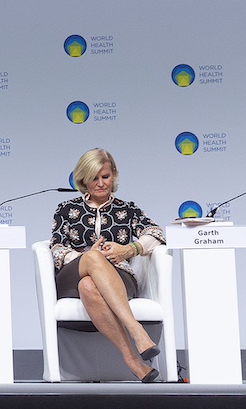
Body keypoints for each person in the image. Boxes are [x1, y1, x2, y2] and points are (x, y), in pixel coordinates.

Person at [48, 148, 165, 382]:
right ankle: (136, 330)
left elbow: (156, 234)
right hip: (72, 276)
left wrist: (129, 250)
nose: (101, 183)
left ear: (114, 176)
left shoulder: (127, 209)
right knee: (92, 259)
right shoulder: (66, 210)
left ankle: (132, 360)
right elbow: (57, 247)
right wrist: (85, 258)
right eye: (94, 178)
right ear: (83, 179)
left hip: (119, 276)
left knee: (89, 287)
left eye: (106, 177)